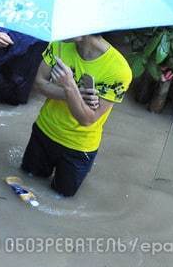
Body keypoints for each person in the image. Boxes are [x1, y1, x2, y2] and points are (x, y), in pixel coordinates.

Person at [20, 35, 132, 196]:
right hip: (44, 131)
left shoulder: (119, 70)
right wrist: (73, 93)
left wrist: (70, 86)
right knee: (26, 181)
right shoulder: (59, 43)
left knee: (61, 197)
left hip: (78, 147)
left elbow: (87, 119)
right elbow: (38, 83)